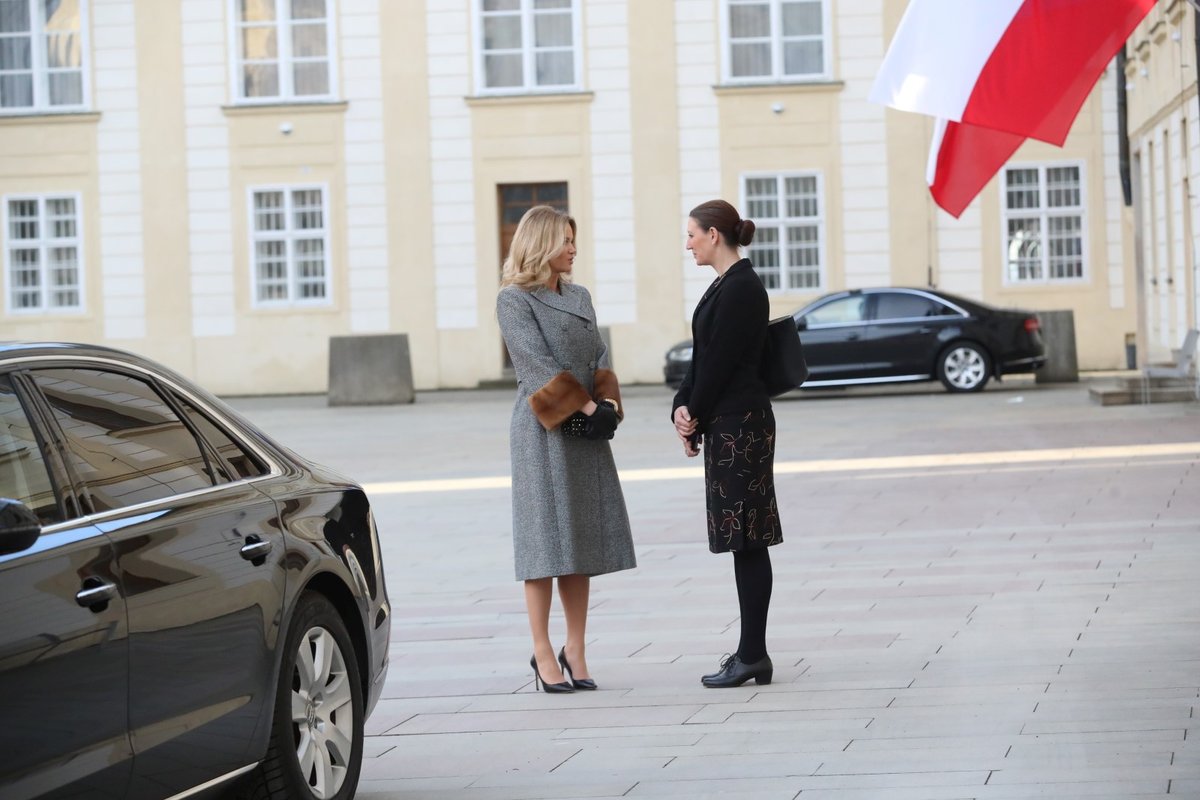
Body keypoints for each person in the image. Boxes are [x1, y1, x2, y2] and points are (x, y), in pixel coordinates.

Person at [496, 205, 637, 694]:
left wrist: (608, 403)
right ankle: (541, 651)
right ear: (541, 243)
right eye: (566, 240)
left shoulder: (579, 295)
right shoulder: (513, 300)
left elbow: (598, 355)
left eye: (575, 240)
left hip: (586, 428)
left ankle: (575, 648)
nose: (574, 249)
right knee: (545, 545)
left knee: (580, 542)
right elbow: (533, 366)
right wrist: (583, 408)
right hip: (542, 429)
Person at [671, 199, 783, 688]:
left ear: (714, 235)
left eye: (692, 234)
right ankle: (750, 653)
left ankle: (753, 654)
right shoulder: (723, 287)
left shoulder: (742, 289)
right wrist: (681, 404)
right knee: (743, 541)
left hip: (743, 425)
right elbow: (703, 357)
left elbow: (720, 365)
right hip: (729, 422)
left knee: (749, 539)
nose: (688, 242)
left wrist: (693, 414)